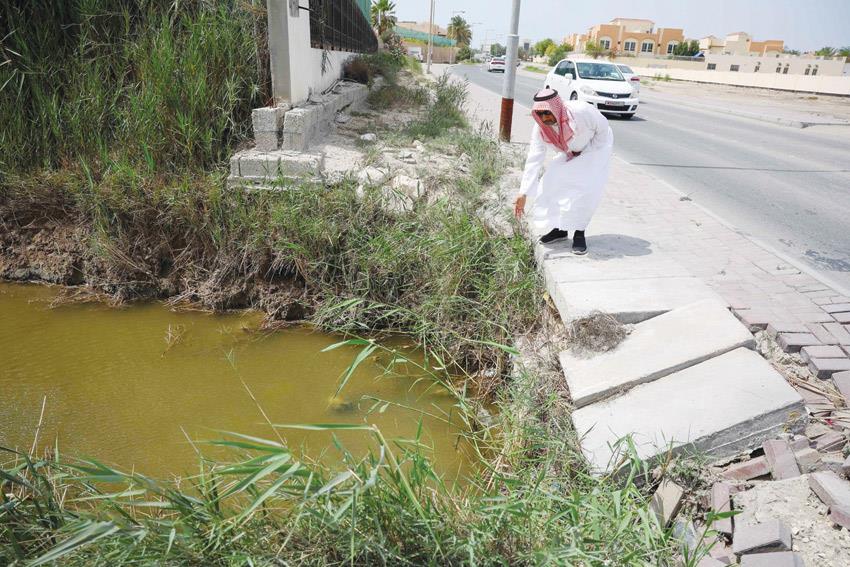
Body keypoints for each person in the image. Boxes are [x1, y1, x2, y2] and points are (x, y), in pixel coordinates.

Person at [514, 88, 613, 254]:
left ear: (556, 108)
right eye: (540, 114)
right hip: (570, 152)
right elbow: (534, 157)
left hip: (595, 148)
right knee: (552, 183)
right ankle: (560, 229)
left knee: (583, 191)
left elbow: (603, 127)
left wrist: (589, 155)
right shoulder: (540, 128)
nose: (544, 118)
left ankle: (579, 232)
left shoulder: (581, 111)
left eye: (547, 112)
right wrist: (523, 193)